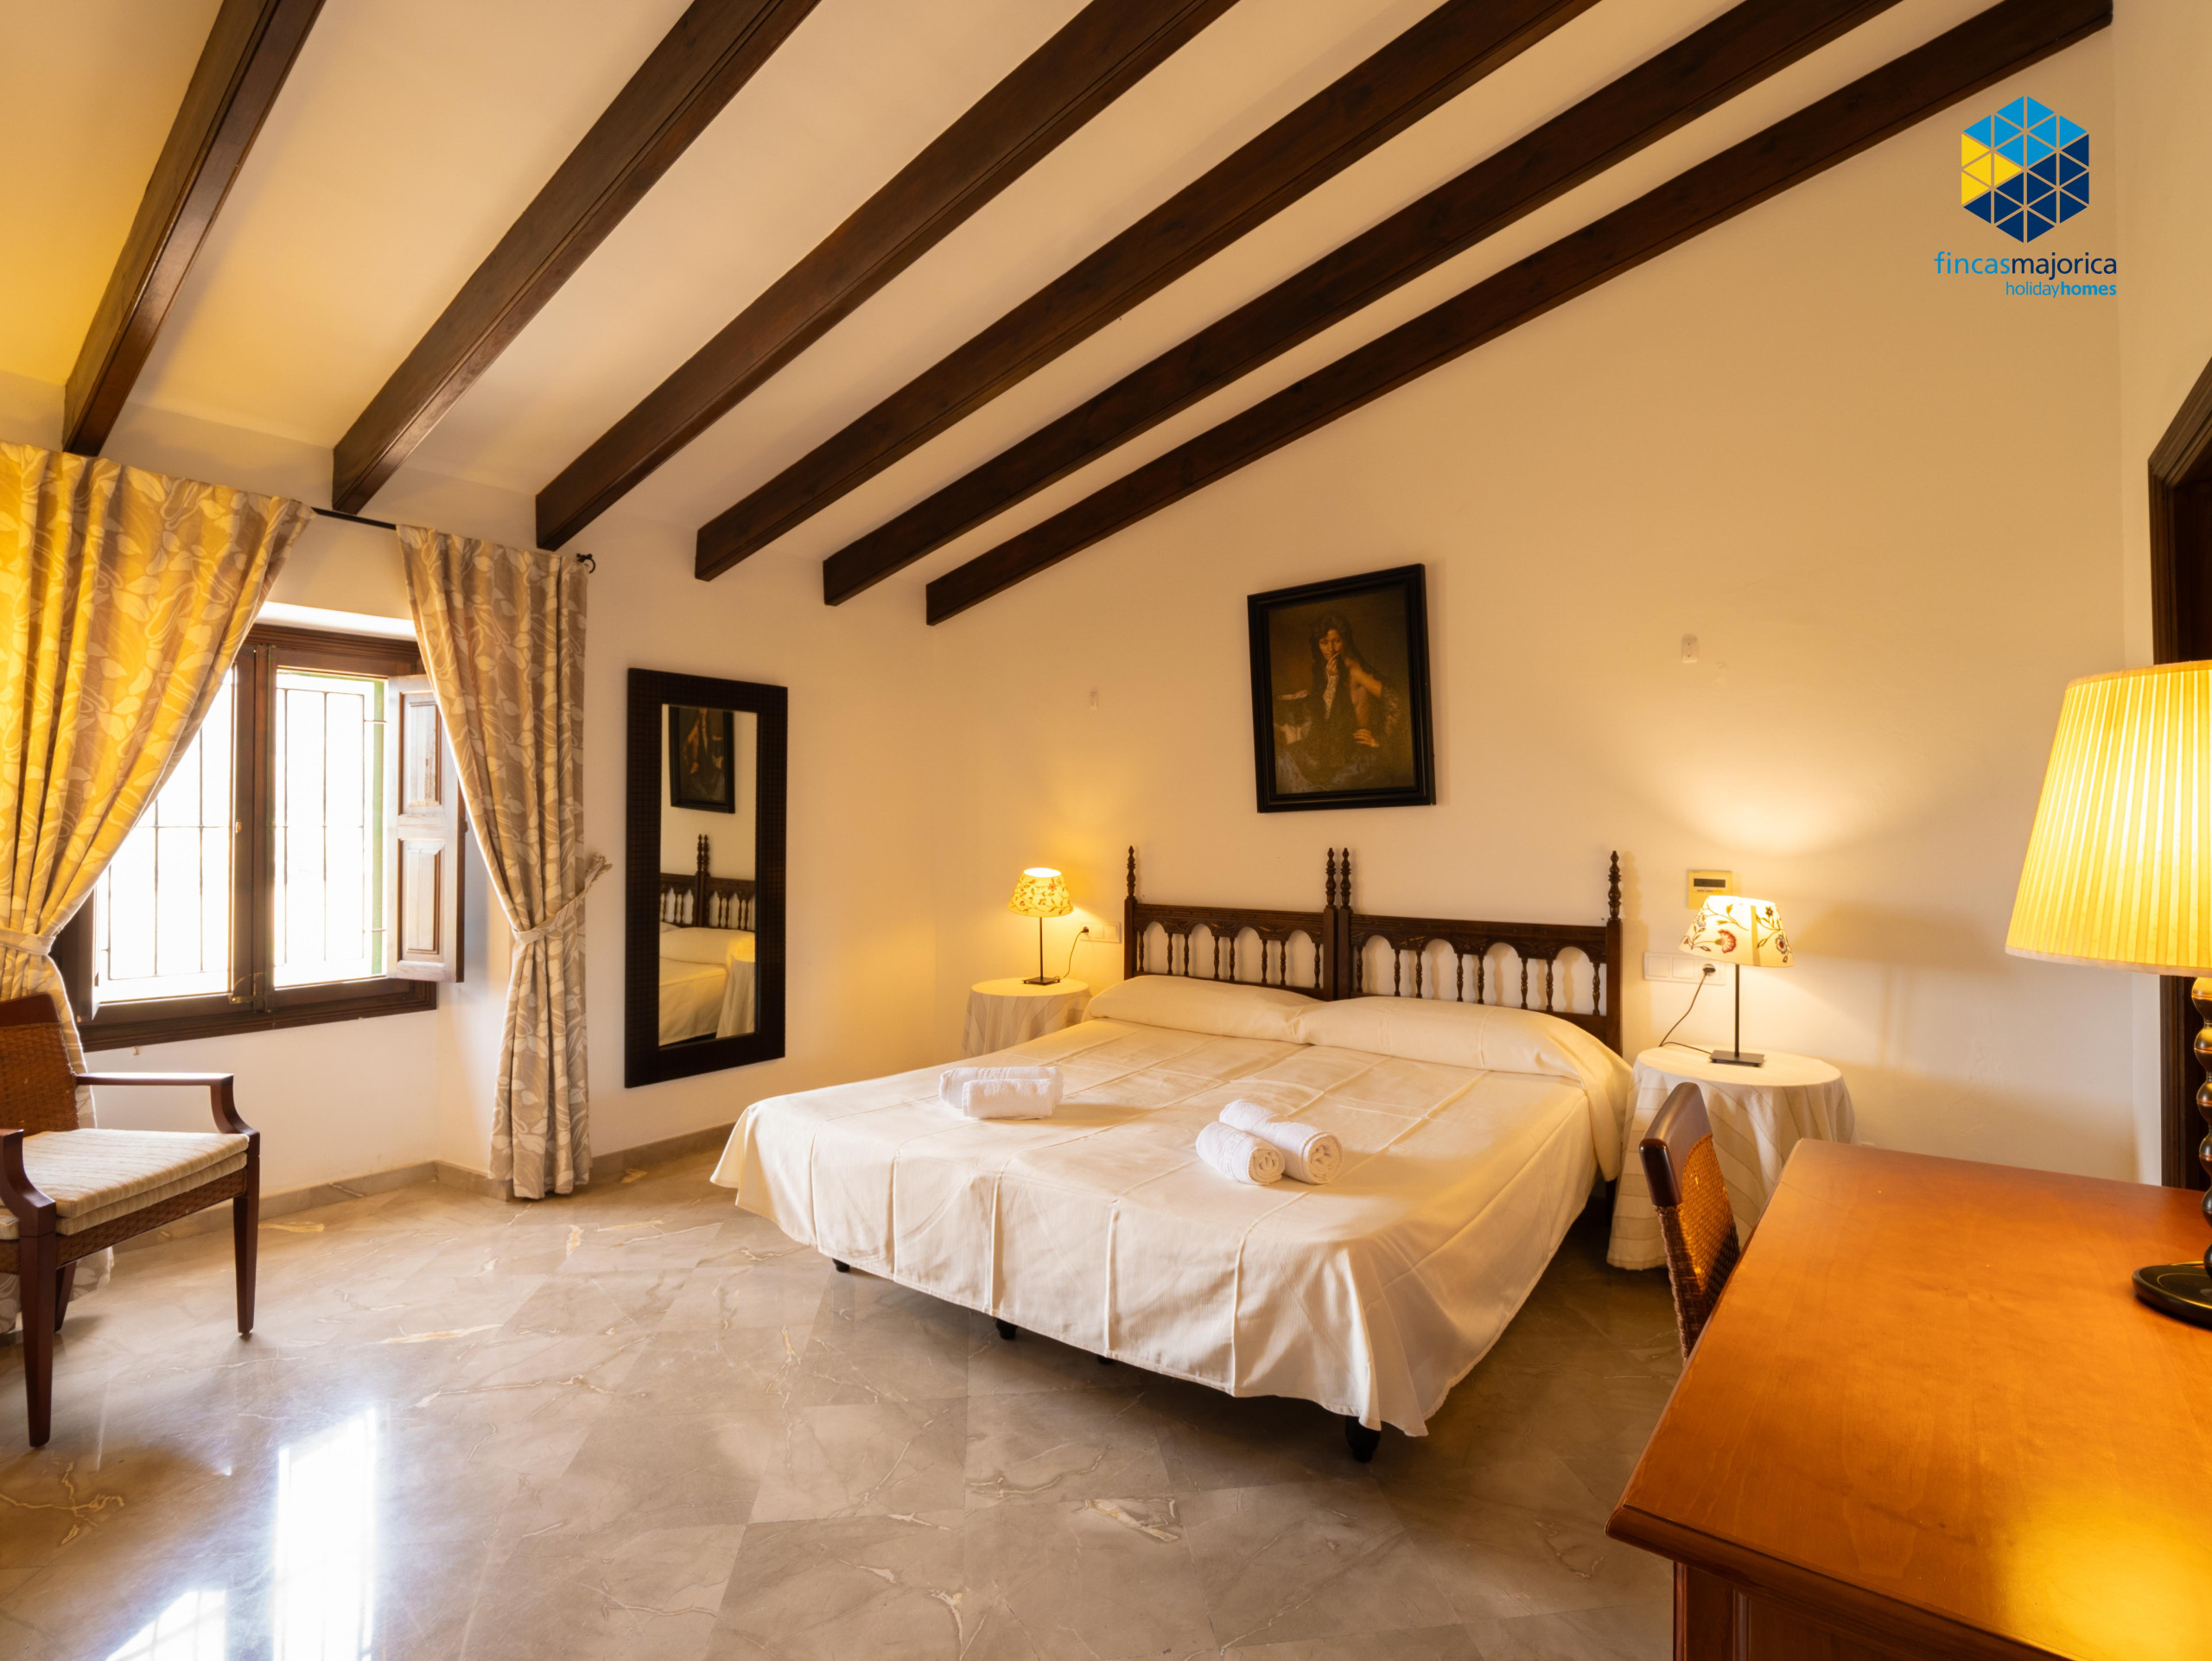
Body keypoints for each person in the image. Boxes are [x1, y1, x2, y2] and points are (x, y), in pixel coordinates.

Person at [1274, 611, 1403, 792]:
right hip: (1335, 747)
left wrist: (1379, 739)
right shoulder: (1326, 669)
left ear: (1345, 641)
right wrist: (1332, 680)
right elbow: (1324, 714)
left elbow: (1395, 700)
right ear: (1318, 644)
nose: (1331, 649)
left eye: (1336, 641)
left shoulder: (1355, 669)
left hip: (1357, 750)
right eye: (1324, 643)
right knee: (1283, 760)